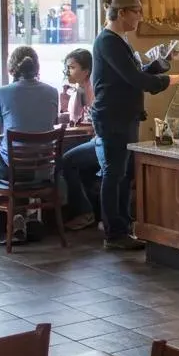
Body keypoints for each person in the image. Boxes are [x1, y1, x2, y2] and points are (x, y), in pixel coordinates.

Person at [91, 0, 179, 250]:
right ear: (122, 13)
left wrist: (162, 62)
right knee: (113, 174)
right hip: (113, 117)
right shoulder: (108, 41)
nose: (140, 17)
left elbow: (135, 74)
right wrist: (172, 80)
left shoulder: (119, 40)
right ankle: (114, 233)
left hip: (124, 115)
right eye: (137, 12)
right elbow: (135, 80)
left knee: (123, 174)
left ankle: (124, 225)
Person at [0, 47, 59, 241]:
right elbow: (50, 123)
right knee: (19, 158)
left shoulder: (1, 93)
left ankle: (14, 220)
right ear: (36, 67)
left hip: (15, 172)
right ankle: (26, 218)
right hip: (44, 170)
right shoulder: (52, 92)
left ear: (12, 69)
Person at [60, 48, 100, 231]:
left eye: (72, 67)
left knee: (66, 162)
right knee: (78, 165)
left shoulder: (91, 88)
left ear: (86, 71)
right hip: (92, 139)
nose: (68, 71)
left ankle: (85, 212)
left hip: (101, 141)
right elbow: (75, 117)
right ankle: (91, 210)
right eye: (67, 67)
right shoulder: (81, 88)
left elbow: (91, 121)